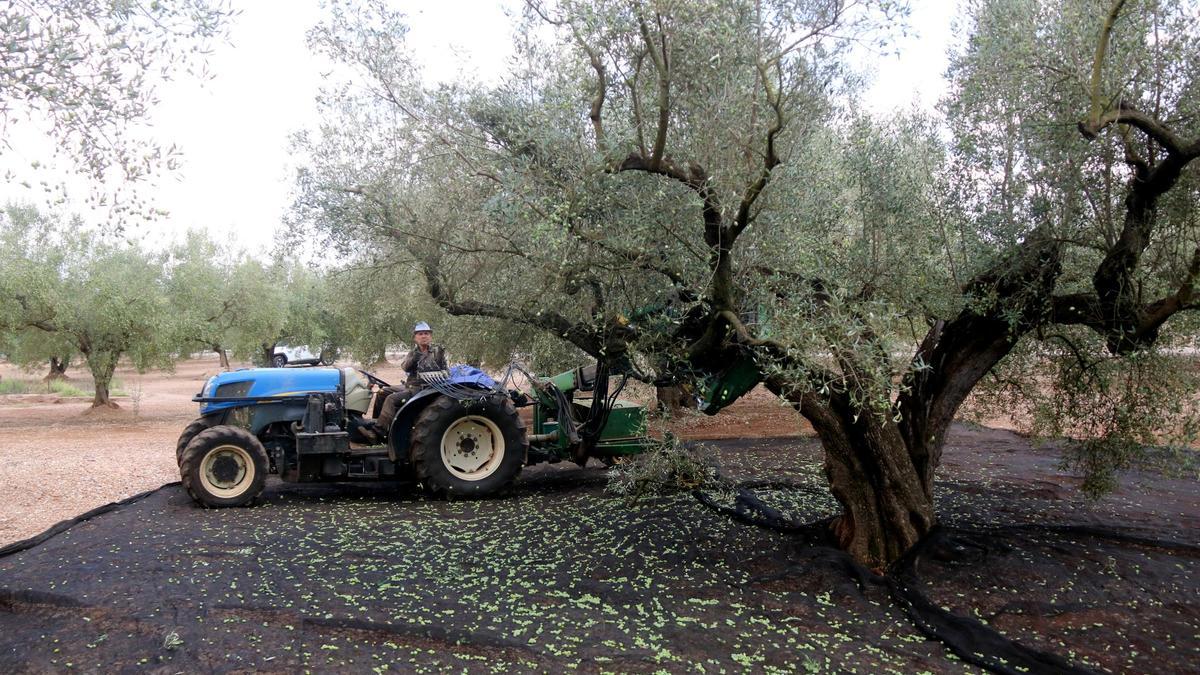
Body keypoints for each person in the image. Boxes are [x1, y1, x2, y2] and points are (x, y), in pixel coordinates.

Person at [374, 321, 448, 433]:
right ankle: (378, 423)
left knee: (391, 399)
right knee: (382, 393)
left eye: (426, 333)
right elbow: (405, 367)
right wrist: (415, 357)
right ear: (415, 338)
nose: (424, 336)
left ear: (430, 336)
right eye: (420, 334)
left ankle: (378, 433)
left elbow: (443, 370)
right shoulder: (413, 353)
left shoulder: (437, 352)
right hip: (410, 386)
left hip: (422, 389)